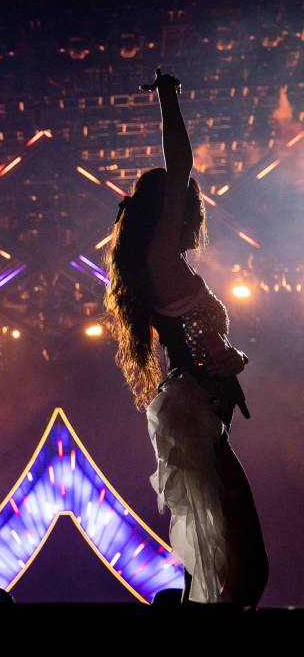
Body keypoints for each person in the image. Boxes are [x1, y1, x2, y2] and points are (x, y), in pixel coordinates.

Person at [104, 68, 268, 604]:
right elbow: (180, 166)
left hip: (197, 410)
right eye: (185, 200)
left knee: (235, 566)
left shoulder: (160, 264)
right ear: (170, 208)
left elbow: (198, 341)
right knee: (238, 569)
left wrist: (229, 358)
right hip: (191, 414)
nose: (192, 207)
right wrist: (170, 98)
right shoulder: (159, 258)